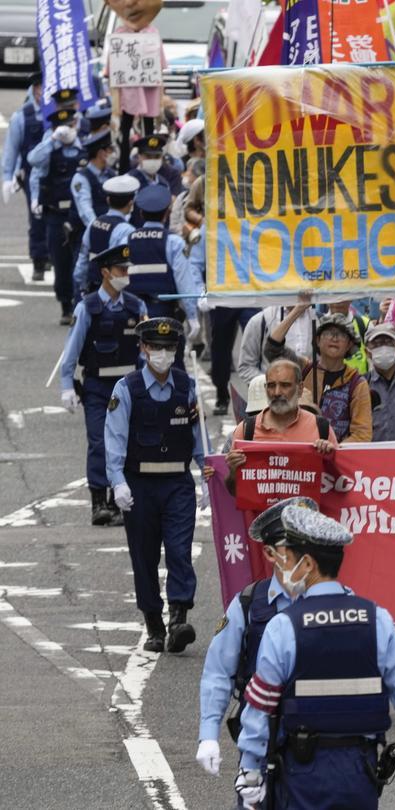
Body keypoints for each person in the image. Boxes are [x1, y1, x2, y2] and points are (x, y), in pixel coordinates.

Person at [232, 504, 395, 810]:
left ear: (308, 563)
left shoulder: (284, 626)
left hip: (302, 773)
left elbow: (260, 707)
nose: (283, 566)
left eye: (288, 558)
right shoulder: (376, 620)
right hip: (361, 772)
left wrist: (250, 771)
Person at [194, 496, 316, 784]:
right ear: (270, 553)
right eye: (292, 548)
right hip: (264, 740)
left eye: (309, 546)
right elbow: (218, 671)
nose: (302, 556)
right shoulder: (249, 604)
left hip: (327, 739)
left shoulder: (338, 602)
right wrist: (208, 734)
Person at [104, 318, 206, 653]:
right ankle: (154, 624)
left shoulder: (186, 386)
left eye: (169, 348)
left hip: (177, 482)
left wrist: (209, 474)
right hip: (140, 485)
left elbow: (197, 436)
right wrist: (117, 483)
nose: (163, 353)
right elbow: (114, 440)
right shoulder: (127, 389)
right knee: (144, 557)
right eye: (156, 347)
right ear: (144, 348)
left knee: (179, 551)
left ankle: (179, 618)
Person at [61, 243, 147, 526]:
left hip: (127, 387)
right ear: (105, 273)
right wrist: (66, 384)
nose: (125, 274)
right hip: (97, 386)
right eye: (120, 269)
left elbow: (145, 352)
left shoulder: (136, 306)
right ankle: (99, 501)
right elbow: (72, 350)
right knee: (99, 442)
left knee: (126, 442)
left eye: (127, 269)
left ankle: (118, 498)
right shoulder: (88, 308)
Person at [224, 360, 339, 497]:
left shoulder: (321, 429)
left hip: (308, 516)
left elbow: (340, 485)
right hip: (262, 518)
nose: (277, 392)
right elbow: (234, 492)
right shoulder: (246, 430)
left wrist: (329, 459)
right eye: (271, 386)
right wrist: (233, 472)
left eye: (285, 385)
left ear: (300, 389)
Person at [265, 307, 373, 444]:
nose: (334, 338)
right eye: (328, 333)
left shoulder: (356, 383)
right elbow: (272, 349)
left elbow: (362, 434)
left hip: (335, 460)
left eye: (341, 334)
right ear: (317, 340)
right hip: (296, 452)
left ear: (349, 344)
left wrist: (332, 448)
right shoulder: (303, 368)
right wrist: (298, 310)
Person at [28, 107, 86, 324]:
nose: (66, 130)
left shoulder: (85, 148)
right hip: (55, 215)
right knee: (60, 263)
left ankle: (78, 304)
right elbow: (34, 162)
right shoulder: (49, 150)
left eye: (69, 126)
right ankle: (65, 305)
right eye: (62, 127)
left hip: (78, 216)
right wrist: (52, 139)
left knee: (79, 262)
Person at [126, 184, 201, 333]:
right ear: (167, 213)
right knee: (170, 354)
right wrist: (192, 317)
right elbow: (183, 281)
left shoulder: (127, 238)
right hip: (164, 312)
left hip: (132, 311)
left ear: (141, 213)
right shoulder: (173, 242)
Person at [1, 70, 50, 281]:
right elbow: (11, 149)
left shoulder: (61, 112)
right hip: (32, 176)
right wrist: (7, 177)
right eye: (39, 87)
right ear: (34, 89)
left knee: (57, 219)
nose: (42, 92)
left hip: (58, 173)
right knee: (37, 218)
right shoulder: (23, 116)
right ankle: (39, 260)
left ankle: (54, 256)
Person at [72, 174, 138, 297]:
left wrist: (80, 286)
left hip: (91, 287)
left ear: (108, 200)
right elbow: (121, 266)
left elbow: (82, 259)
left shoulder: (94, 223)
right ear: (131, 203)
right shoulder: (126, 230)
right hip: (110, 291)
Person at [70, 130, 116, 232]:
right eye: (110, 150)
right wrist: (98, 230)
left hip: (111, 230)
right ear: (101, 153)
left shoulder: (111, 174)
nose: (113, 153)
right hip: (89, 232)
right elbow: (85, 211)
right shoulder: (81, 178)